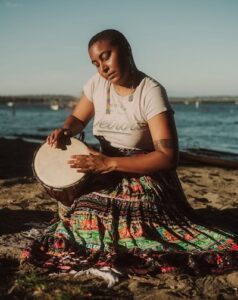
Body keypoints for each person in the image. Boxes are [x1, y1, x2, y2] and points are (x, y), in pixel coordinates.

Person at [25, 29, 238, 276]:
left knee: (128, 220)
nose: (102, 68)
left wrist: (110, 164)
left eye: (106, 56)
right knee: (86, 208)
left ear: (126, 49)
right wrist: (65, 130)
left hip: (146, 175)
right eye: (96, 63)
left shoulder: (150, 91)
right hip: (104, 167)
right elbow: (77, 118)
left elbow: (168, 157)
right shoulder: (96, 85)